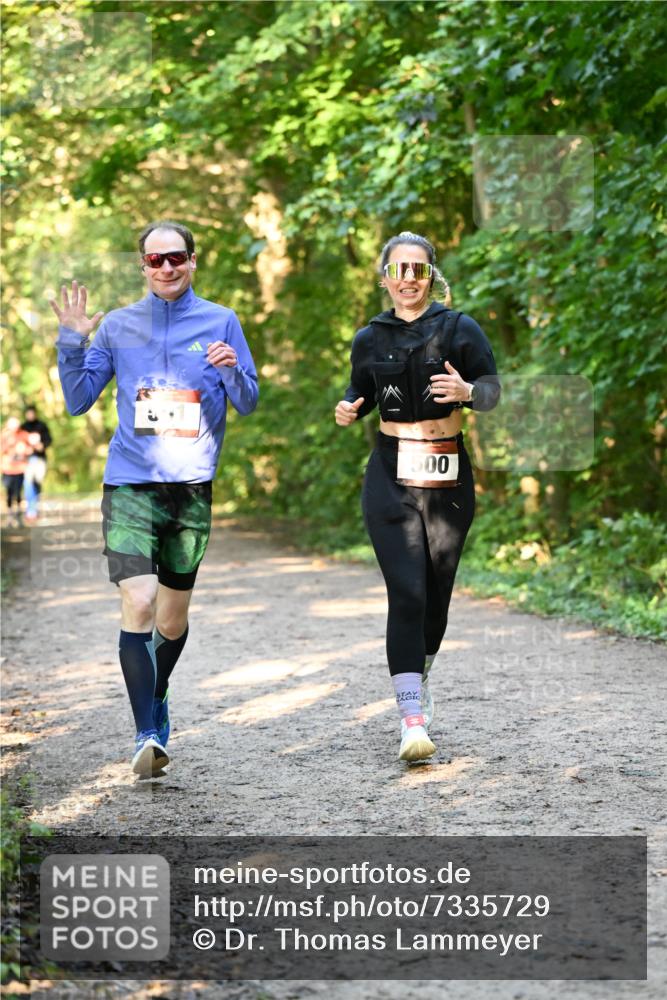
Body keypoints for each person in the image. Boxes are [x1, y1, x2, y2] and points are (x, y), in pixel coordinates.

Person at [50, 221, 259, 777]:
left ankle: (157, 694)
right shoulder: (118, 326)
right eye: (155, 259)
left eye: (176, 258)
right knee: (138, 603)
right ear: (142, 266)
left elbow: (249, 401)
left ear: (193, 261)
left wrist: (233, 370)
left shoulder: (222, 321)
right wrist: (72, 340)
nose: (166, 267)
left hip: (190, 489)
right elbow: (77, 401)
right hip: (129, 485)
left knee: (170, 620)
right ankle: (146, 733)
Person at [335, 231, 500, 764]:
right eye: (399, 269)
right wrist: (346, 408)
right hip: (391, 472)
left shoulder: (459, 328)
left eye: (418, 269)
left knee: (436, 594)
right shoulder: (369, 336)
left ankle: (421, 672)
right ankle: (411, 719)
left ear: (431, 276)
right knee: (406, 592)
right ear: (384, 277)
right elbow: (358, 392)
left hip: (448, 474)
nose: (408, 278)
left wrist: (470, 393)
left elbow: (494, 390)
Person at [21, 405, 52, 522]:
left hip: (40, 459)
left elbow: (49, 440)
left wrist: (42, 446)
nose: (30, 415)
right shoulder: (23, 427)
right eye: (28, 413)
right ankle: (31, 511)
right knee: (28, 483)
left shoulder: (42, 426)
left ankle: (35, 509)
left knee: (36, 484)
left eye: (32, 413)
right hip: (27, 460)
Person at [1, 416, 33, 527]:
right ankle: (10, 517)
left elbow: (31, 448)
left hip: (20, 469)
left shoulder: (23, 434)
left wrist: (24, 450)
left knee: (18, 493)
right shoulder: (4, 435)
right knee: (9, 493)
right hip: (7, 469)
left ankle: (19, 516)